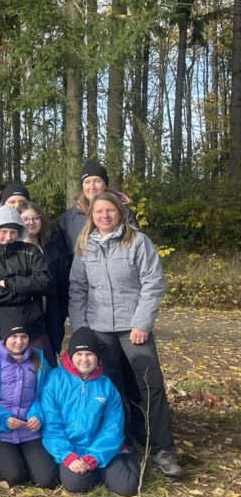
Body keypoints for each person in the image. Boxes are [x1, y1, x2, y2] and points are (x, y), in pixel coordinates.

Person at [68, 192, 182, 478]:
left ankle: (162, 449)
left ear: (119, 212)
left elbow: (153, 283)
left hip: (134, 329)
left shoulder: (137, 241)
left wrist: (142, 323)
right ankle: (122, 441)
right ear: (91, 216)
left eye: (110, 210)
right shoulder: (84, 245)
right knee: (111, 388)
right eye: (98, 212)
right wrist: (82, 329)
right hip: (99, 329)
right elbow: (78, 288)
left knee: (150, 385)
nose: (104, 216)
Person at [42, 327, 142, 496]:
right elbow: (51, 425)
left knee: (128, 487)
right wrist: (68, 456)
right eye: (79, 354)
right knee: (76, 484)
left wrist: (95, 457)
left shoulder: (106, 386)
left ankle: (123, 456)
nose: (84, 359)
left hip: (99, 449)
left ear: (97, 357)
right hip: (71, 450)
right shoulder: (55, 380)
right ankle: (97, 471)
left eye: (89, 354)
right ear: (70, 355)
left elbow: (113, 428)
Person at [0, 312, 58, 488]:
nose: (19, 341)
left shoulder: (39, 362)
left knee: (47, 479)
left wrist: (38, 416)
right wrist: (4, 419)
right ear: (4, 337)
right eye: (14, 336)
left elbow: (46, 396)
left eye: (24, 336)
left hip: (29, 429)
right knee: (15, 476)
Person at [0, 206, 54, 365]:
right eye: (3, 232)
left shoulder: (32, 252)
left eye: (13, 232)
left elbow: (45, 282)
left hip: (31, 323)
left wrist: (9, 283)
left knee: (44, 370)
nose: (8, 237)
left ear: (20, 232)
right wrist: (29, 294)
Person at [19, 201, 70, 357]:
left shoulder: (52, 250)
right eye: (25, 219)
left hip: (50, 317)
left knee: (47, 361)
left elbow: (62, 286)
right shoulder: (12, 251)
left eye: (35, 218)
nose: (31, 222)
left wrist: (60, 313)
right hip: (22, 320)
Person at [59, 161, 139, 255]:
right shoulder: (68, 218)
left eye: (97, 181)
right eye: (87, 182)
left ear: (105, 184)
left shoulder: (124, 213)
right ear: (82, 186)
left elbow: (136, 247)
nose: (92, 187)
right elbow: (62, 253)